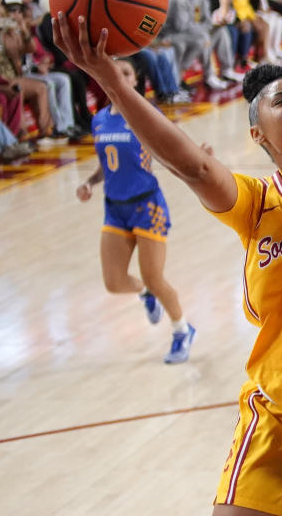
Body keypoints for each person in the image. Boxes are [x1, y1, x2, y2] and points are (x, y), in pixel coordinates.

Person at [52, 11, 282, 515]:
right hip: (276, 411)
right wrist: (108, 78)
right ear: (258, 135)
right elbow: (191, 165)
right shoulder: (254, 202)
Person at [75, 57, 195, 364]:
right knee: (113, 283)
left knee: (155, 277)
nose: (118, 77)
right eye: (114, 72)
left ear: (135, 80)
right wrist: (90, 182)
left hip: (147, 204)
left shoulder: (146, 115)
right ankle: (145, 295)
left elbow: (172, 148)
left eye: (125, 72)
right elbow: (108, 162)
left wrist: (197, 157)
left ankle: (182, 329)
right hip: (114, 207)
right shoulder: (100, 119)